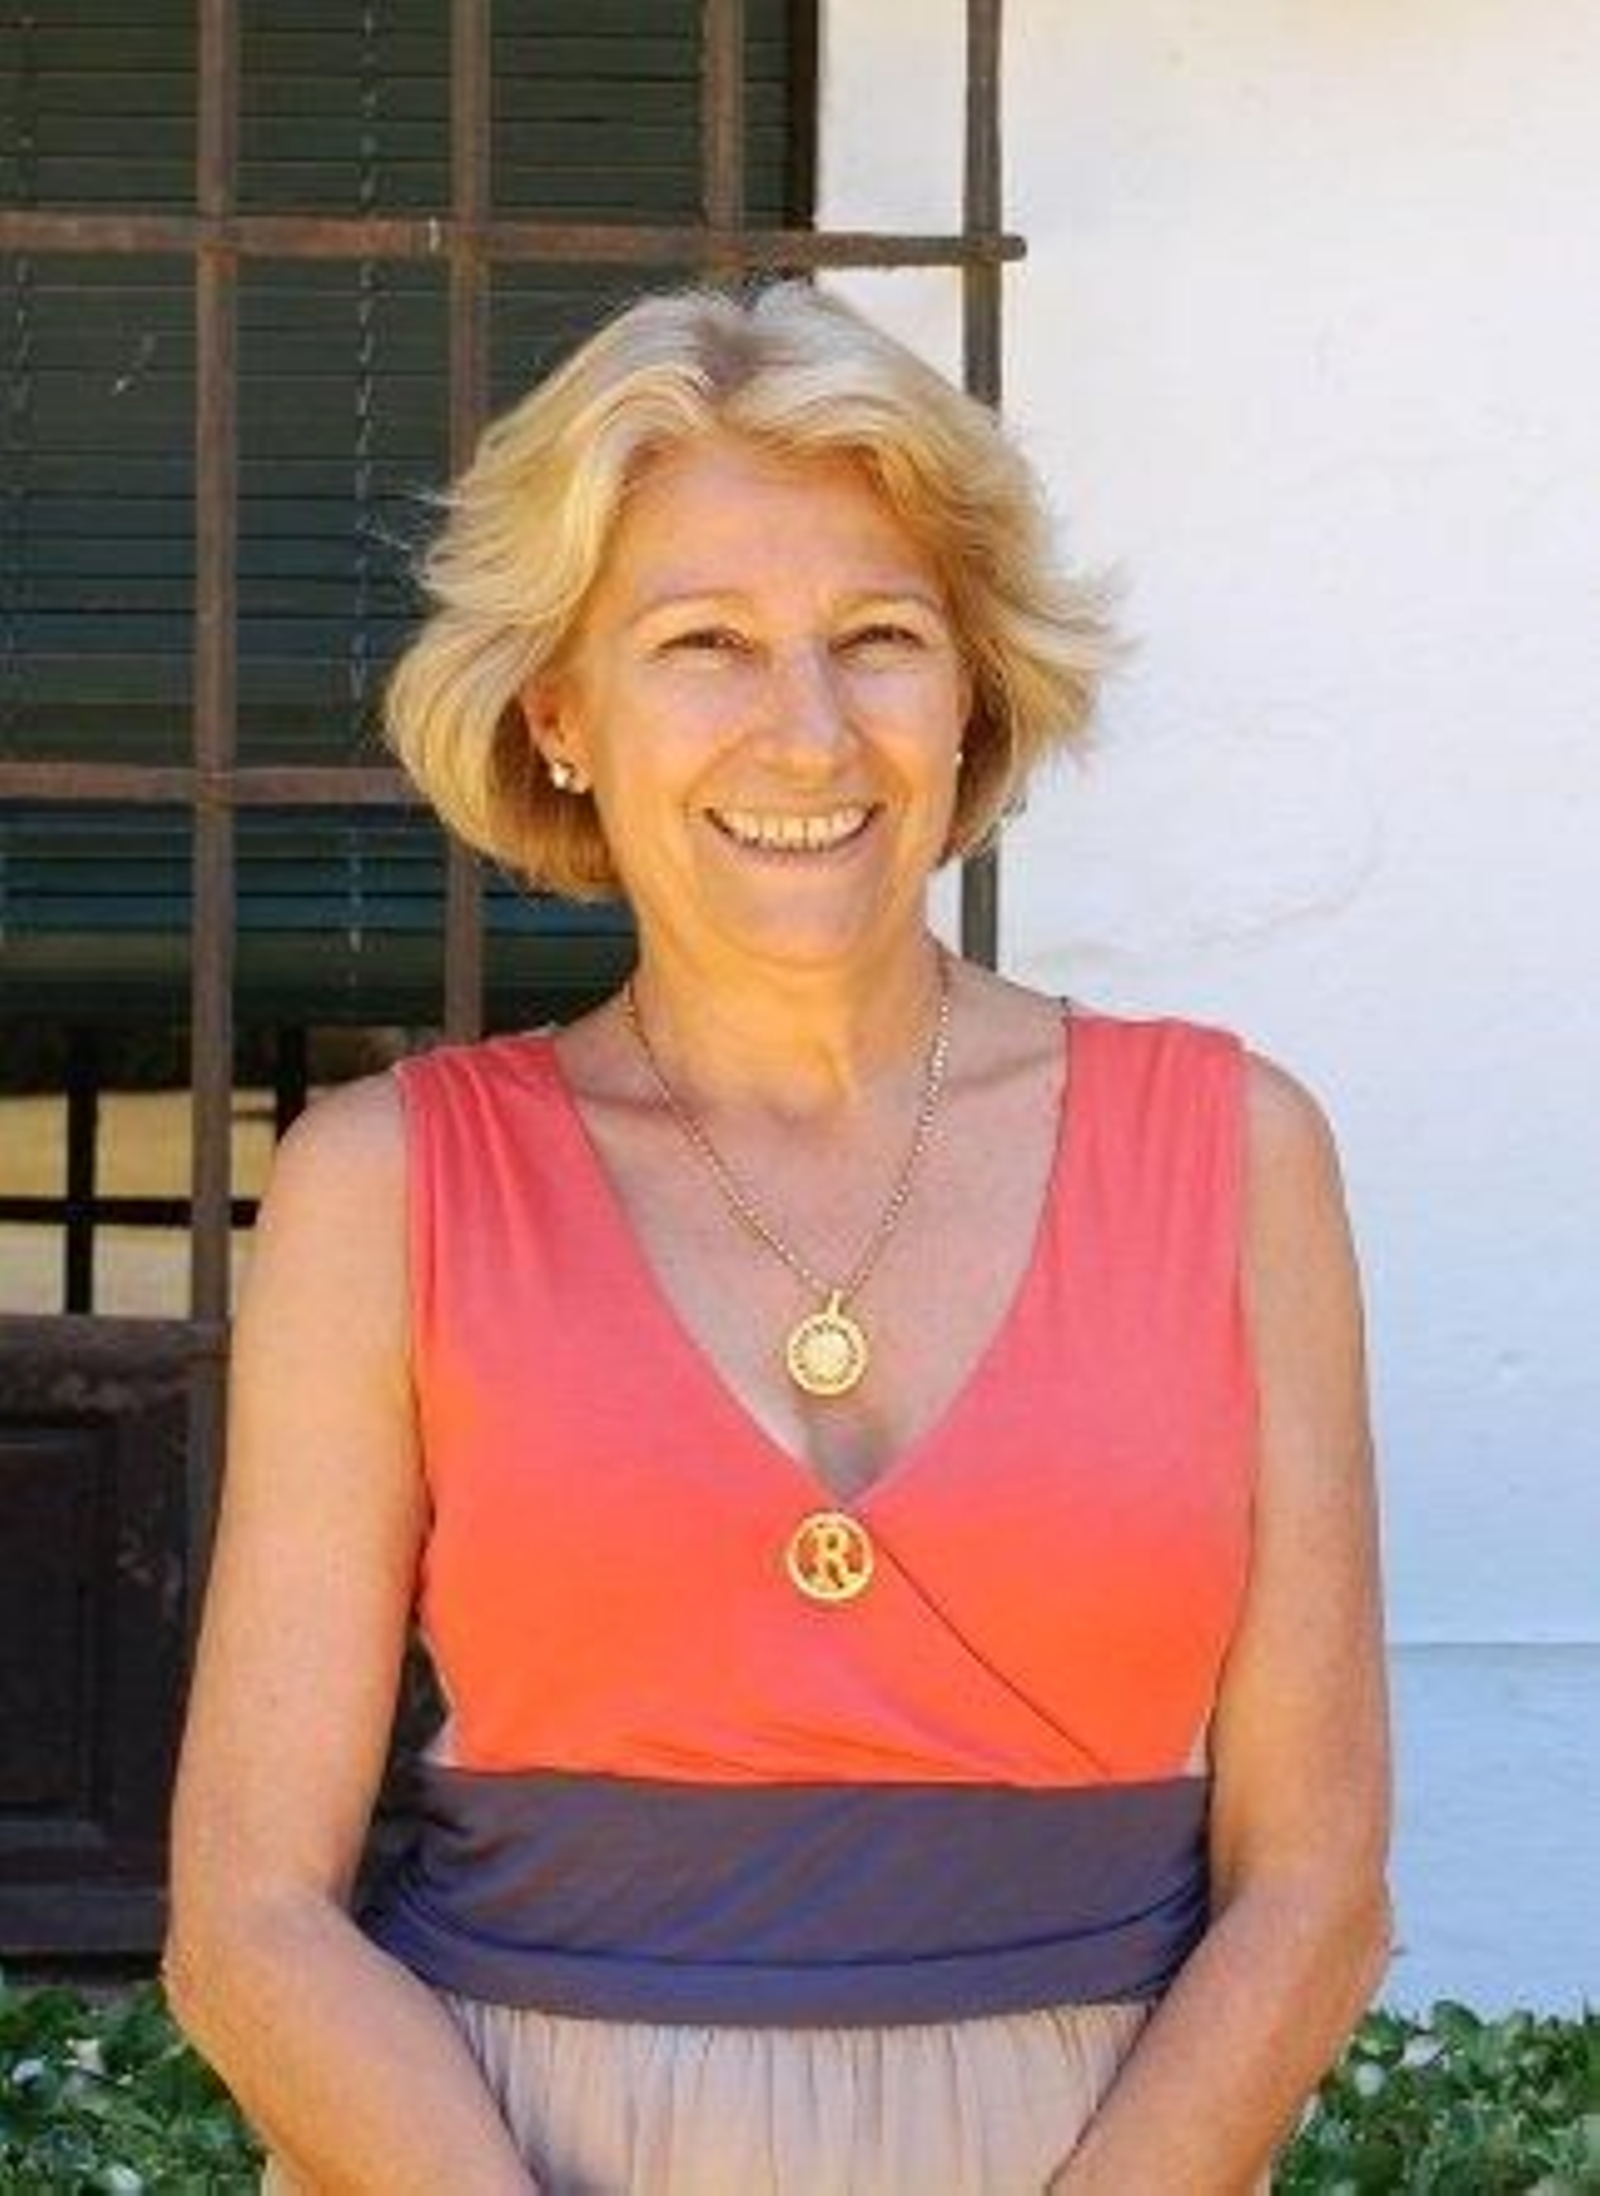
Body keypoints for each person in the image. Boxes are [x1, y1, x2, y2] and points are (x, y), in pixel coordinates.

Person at [164, 281, 1393, 2195]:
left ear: (973, 688)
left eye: (878, 639)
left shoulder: (1239, 1153)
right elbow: (248, 1922)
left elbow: (1316, 1889)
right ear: (562, 715)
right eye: (704, 645)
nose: (806, 734)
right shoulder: (386, 1185)